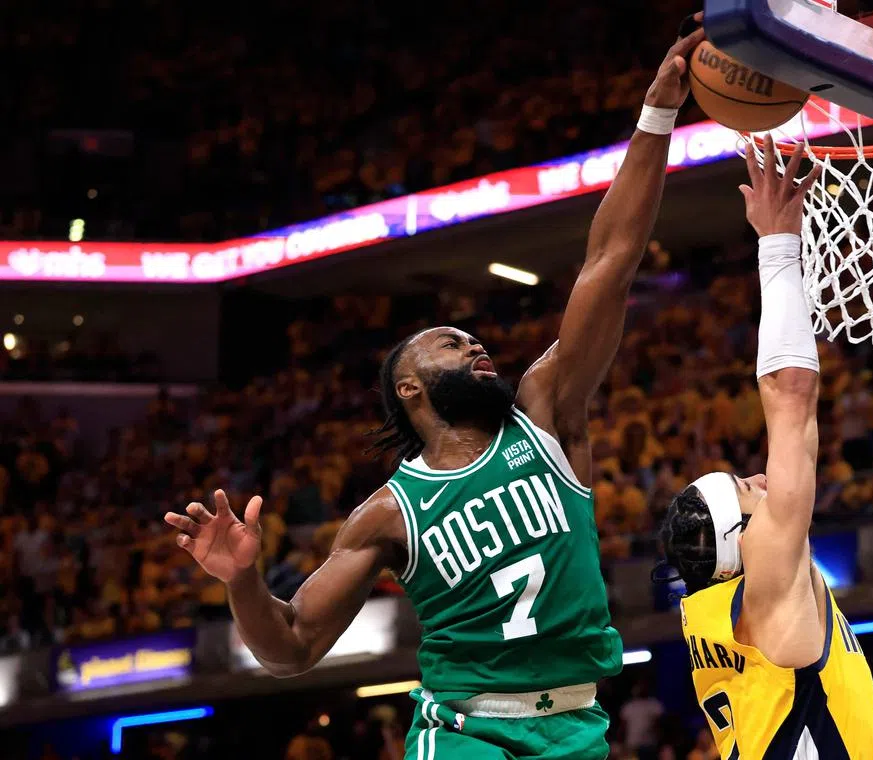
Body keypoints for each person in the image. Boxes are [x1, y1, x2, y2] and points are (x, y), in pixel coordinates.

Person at [163, 17, 708, 760]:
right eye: (452, 344)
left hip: (579, 728)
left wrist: (657, 112)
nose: (476, 343)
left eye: (473, 338)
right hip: (464, 733)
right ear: (412, 389)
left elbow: (610, 260)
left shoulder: (545, 411)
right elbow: (290, 648)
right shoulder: (388, 513)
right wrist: (243, 580)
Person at [654, 135, 873, 758]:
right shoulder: (767, 582)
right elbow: (791, 399)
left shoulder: (716, 611)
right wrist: (779, 243)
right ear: (742, 538)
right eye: (749, 490)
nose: (764, 481)